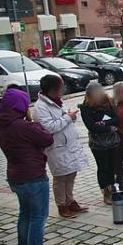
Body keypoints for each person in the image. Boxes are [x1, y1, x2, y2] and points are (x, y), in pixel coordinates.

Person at [0, 87, 61, 245]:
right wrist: (32, 122)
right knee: (38, 217)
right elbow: (47, 139)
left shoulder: (2, 125)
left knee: (25, 215)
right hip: (33, 176)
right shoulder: (23, 126)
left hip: (16, 176)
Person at [34, 74, 89, 219]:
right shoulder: (40, 107)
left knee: (71, 173)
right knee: (60, 177)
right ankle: (62, 205)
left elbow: (66, 118)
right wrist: (67, 117)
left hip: (69, 144)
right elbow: (48, 127)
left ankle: (70, 201)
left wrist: (71, 116)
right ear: (53, 89)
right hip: (56, 147)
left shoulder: (58, 101)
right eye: (61, 86)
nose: (63, 89)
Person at [80, 81, 120, 205]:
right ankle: (105, 192)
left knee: (112, 167)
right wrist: (108, 127)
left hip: (112, 141)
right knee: (103, 168)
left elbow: (116, 119)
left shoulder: (109, 102)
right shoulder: (86, 108)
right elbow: (92, 127)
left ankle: (113, 187)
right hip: (98, 144)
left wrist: (104, 124)